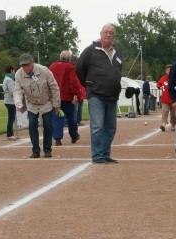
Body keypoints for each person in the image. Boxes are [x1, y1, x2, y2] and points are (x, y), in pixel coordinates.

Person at [75, 23, 123, 164]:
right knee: (97, 127)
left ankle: (105, 154)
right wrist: (89, 84)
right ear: (101, 33)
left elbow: (118, 71)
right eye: (106, 32)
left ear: (114, 36)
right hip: (96, 95)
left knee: (111, 128)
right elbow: (79, 69)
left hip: (112, 96)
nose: (108, 34)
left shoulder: (118, 53)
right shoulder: (91, 50)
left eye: (111, 32)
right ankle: (97, 156)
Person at [13, 53, 61, 158]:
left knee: (48, 125)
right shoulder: (18, 74)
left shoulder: (44, 70)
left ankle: (47, 150)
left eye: (27, 64)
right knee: (32, 125)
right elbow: (17, 90)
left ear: (32, 61)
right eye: (22, 65)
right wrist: (18, 102)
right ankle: (35, 150)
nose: (25, 67)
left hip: (46, 103)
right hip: (32, 104)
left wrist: (56, 104)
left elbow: (54, 87)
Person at [49, 50, 81, 146]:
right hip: (67, 97)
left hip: (55, 97)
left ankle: (57, 138)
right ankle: (74, 135)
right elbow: (73, 82)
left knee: (57, 117)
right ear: (69, 58)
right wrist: (75, 94)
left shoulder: (52, 66)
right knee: (71, 117)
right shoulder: (70, 66)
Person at [156, 64, 176, 131]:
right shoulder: (163, 78)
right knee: (165, 111)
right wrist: (159, 86)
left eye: (170, 70)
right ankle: (163, 124)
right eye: (167, 70)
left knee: (173, 114)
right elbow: (158, 84)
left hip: (173, 99)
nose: (169, 71)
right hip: (165, 99)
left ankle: (173, 125)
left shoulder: (175, 78)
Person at [2, 65, 17, 140]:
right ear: (11, 71)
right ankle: (9, 134)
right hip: (10, 101)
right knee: (11, 118)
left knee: (11, 118)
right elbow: (12, 91)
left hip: (8, 101)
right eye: (14, 70)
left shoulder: (7, 79)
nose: (14, 72)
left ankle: (11, 134)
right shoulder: (9, 80)